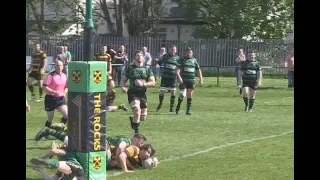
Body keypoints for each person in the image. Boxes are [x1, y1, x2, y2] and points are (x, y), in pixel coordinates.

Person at [120, 50, 156, 133]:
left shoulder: (147, 70)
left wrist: (143, 84)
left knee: (142, 117)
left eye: (141, 55)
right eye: (137, 55)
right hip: (133, 93)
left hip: (142, 94)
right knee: (137, 110)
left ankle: (133, 121)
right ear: (134, 57)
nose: (139, 57)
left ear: (143, 57)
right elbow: (123, 80)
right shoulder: (130, 68)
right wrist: (122, 86)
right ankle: (137, 133)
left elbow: (153, 82)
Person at [40, 59, 68, 133]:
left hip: (60, 99)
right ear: (55, 67)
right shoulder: (51, 75)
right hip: (51, 99)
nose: (59, 67)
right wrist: (53, 91)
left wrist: (65, 92)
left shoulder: (65, 76)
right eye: (57, 65)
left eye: (61, 65)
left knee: (67, 114)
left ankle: (61, 127)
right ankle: (45, 132)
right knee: (50, 119)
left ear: (63, 66)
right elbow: (44, 86)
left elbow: (67, 86)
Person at [175, 48, 203, 115]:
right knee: (182, 94)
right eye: (187, 52)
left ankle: (188, 110)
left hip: (191, 81)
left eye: (190, 52)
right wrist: (179, 78)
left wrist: (201, 79)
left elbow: (198, 70)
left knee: (189, 95)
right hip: (183, 81)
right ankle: (178, 105)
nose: (189, 53)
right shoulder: (181, 60)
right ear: (185, 53)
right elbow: (176, 70)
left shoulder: (194, 60)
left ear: (192, 53)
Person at [156, 45, 180, 112]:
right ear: (169, 49)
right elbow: (158, 64)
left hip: (173, 78)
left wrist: (179, 77)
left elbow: (179, 68)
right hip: (165, 77)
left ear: (176, 50)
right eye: (172, 49)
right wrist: (157, 74)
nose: (173, 51)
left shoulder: (178, 58)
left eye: (174, 49)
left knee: (173, 92)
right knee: (162, 92)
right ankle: (160, 103)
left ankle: (171, 107)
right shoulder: (165, 56)